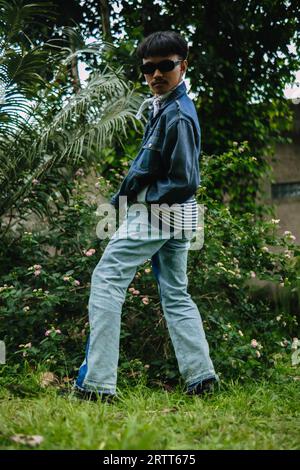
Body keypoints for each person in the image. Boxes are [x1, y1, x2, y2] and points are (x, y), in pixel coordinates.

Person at [71, 31, 219, 402]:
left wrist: (139, 200)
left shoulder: (178, 115)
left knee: (106, 279)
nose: (156, 75)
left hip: (160, 212)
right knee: (175, 294)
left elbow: (185, 180)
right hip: (178, 217)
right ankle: (201, 377)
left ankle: (97, 386)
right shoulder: (164, 107)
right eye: (149, 68)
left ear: (183, 66)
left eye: (166, 66)